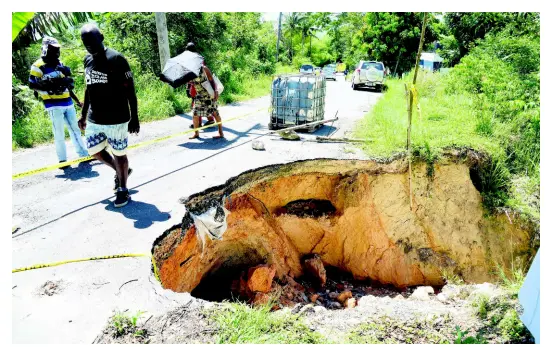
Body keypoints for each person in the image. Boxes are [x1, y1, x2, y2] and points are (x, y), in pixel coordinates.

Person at [78, 24, 139, 208]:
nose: (89, 45)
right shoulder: (87, 60)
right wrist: (83, 115)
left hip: (117, 118)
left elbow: (131, 91)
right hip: (95, 117)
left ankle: (123, 190)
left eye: (92, 41)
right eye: (85, 42)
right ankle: (122, 171)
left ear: (101, 37)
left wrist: (134, 117)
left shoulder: (117, 59)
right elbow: (88, 88)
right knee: (94, 150)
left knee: (119, 153)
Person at [28, 36, 89, 167]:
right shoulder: (37, 66)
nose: (56, 52)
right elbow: (32, 84)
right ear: (45, 49)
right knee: (59, 132)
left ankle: (84, 155)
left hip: (68, 102)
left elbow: (66, 84)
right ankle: (62, 160)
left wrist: (77, 100)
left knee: (75, 130)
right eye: (53, 49)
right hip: (53, 104)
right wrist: (51, 84)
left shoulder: (59, 64)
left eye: (57, 49)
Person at [189, 62, 224, 139]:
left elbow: (212, 80)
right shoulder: (190, 72)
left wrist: (215, 91)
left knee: (215, 113)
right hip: (199, 96)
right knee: (195, 114)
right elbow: (191, 83)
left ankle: (221, 132)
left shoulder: (204, 68)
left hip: (209, 94)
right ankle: (196, 133)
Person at [185, 42, 215, 129]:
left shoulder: (193, 58)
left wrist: (188, 86)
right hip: (198, 83)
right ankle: (209, 119)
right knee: (202, 102)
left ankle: (199, 123)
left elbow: (193, 72)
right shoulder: (198, 57)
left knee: (197, 103)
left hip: (198, 83)